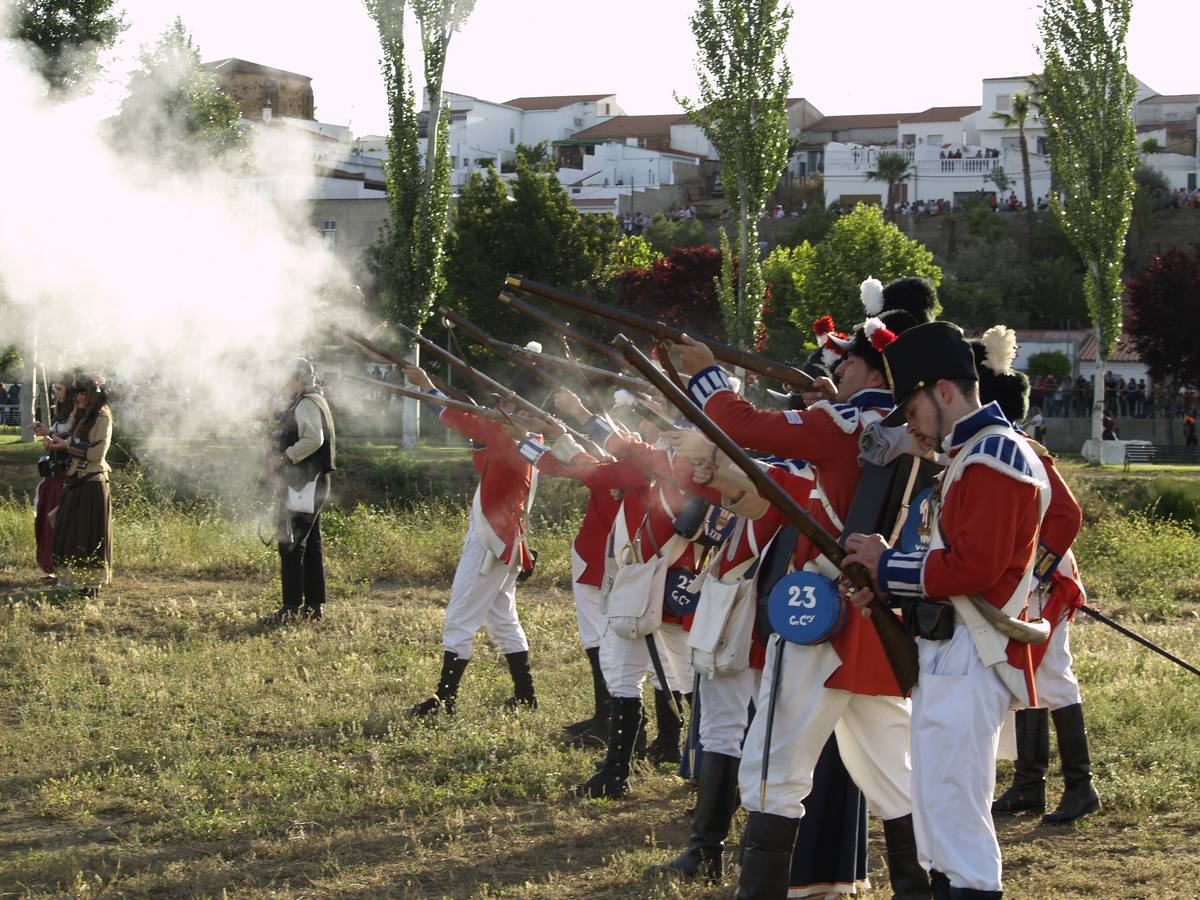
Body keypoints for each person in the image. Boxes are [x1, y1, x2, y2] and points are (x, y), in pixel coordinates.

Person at [673, 276, 939, 900]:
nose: (836, 369)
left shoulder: (847, 421)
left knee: (771, 774)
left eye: (847, 361)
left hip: (821, 624)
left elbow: (745, 426)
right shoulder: (906, 427)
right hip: (877, 625)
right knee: (897, 780)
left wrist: (708, 375)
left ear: (874, 371)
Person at [844, 321, 1051, 899]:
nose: (908, 425)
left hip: (972, 653)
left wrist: (887, 569)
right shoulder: (969, 456)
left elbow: (973, 569)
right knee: (936, 815)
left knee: (957, 822)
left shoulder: (993, 456)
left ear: (942, 391)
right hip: (946, 651)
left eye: (910, 409)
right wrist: (886, 585)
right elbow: (944, 563)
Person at [403, 364, 547, 716]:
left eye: (510, 406)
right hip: (506, 538)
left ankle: (444, 700)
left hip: (491, 541)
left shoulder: (506, 436)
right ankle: (525, 696)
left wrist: (425, 384)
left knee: (459, 619)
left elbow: (454, 418)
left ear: (526, 412)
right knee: (503, 619)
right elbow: (469, 423)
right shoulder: (533, 441)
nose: (502, 409)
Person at [266, 359, 336, 623]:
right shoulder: (312, 400)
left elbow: (313, 439)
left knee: (290, 543)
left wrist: (284, 457)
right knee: (310, 545)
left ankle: (291, 607)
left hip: (303, 484)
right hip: (309, 482)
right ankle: (313, 606)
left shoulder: (306, 403)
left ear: (297, 379)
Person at [47, 376, 113, 595]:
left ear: (94, 395)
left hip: (92, 483)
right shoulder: (83, 416)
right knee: (67, 532)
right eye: (77, 393)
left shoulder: (102, 416)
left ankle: (89, 585)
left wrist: (66, 444)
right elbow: (70, 440)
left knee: (87, 536)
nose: (79, 397)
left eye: (84, 393)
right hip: (76, 481)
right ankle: (73, 582)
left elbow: (96, 454)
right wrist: (57, 441)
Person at [32, 379, 74, 578]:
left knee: (60, 520)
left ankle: (63, 566)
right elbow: (59, 437)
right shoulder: (62, 412)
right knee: (46, 518)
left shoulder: (78, 413)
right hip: (53, 473)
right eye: (55, 389)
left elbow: (72, 438)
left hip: (68, 474)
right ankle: (51, 566)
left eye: (60, 389)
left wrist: (49, 433)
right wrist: (47, 438)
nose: (57, 393)